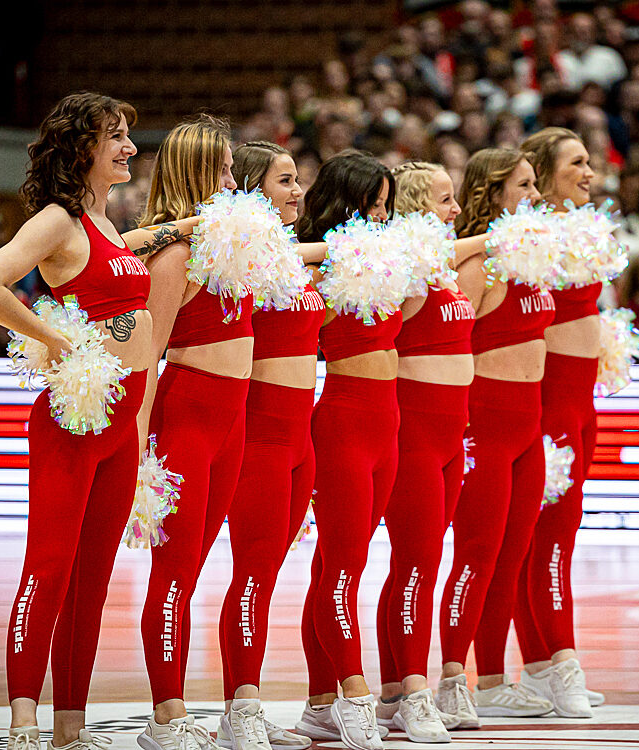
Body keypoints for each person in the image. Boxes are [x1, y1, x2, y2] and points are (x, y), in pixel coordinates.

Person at [0, 92, 151, 750]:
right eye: (116, 136)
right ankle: (23, 723)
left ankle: (70, 729)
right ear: (82, 147)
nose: (129, 147)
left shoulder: (109, 223)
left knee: (93, 583)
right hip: (75, 421)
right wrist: (56, 337)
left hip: (121, 425)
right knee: (48, 568)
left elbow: (123, 273)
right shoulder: (56, 220)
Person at [134, 116, 251, 750]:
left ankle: (177, 710)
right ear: (197, 173)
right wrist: (140, 452)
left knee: (194, 571)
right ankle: (167, 715)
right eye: (224, 170)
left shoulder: (226, 248)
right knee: (174, 573)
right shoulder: (176, 255)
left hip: (231, 422)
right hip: (187, 420)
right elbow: (148, 357)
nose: (233, 182)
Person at [436, 147, 556, 725]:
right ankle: (451, 680)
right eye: (524, 186)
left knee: (510, 557)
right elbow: (448, 343)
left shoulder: (529, 258)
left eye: (535, 185)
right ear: (493, 193)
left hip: (528, 427)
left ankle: (490, 681)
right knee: (476, 556)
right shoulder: (478, 264)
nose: (535, 196)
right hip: (484, 426)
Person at [215, 141, 318, 750]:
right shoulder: (242, 257)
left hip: (301, 436)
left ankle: (243, 707)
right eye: (285, 180)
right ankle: (243, 706)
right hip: (259, 437)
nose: (298, 190)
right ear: (252, 189)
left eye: (298, 179)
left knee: (269, 573)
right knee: (252, 572)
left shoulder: (293, 258)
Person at [295, 150, 398, 750]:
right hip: (342, 425)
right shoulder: (315, 266)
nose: (381, 216)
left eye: (386, 206)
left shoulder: (384, 260)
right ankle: (353, 693)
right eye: (371, 205)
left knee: (339, 567)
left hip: (389, 425)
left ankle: (318, 703)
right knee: (342, 569)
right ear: (343, 203)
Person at [373, 161, 475, 743]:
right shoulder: (409, 267)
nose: (455, 210)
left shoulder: (447, 268)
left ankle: (393, 692)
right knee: (417, 563)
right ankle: (413, 692)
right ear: (416, 208)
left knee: (418, 563)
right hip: (412, 433)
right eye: (444, 200)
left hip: (450, 437)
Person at [512, 127, 606, 719]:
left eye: (590, 161)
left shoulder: (582, 228)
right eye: (577, 163)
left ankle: (542, 665)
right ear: (545, 176)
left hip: (581, 401)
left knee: (553, 538)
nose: (590, 172)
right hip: (549, 404)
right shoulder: (531, 238)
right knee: (550, 536)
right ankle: (560, 660)